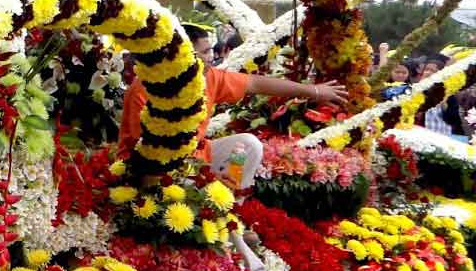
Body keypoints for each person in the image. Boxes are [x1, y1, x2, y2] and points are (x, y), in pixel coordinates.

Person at [117, 23, 348, 190]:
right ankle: (213, 204)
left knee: (249, 145)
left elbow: (256, 83)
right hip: (147, 168)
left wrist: (314, 91)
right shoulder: (144, 88)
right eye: (206, 52)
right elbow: (146, 151)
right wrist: (200, 176)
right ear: (183, 54)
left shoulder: (209, 77)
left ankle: (230, 201)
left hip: (196, 158)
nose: (212, 57)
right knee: (185, 185)